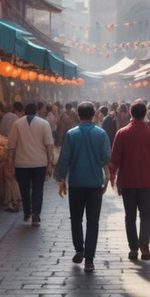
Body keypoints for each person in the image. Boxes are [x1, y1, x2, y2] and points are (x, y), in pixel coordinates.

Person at [57, 101, 111, 273]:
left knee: (76, 219)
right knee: (93, 221)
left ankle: (79, 249)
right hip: (95, 183)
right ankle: (89, 259)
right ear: (94, 114)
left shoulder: (71, 134)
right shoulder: (101, 134)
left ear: (78, 115)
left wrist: (61, 179)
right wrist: (107, 178)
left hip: (76, 183)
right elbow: (106, 159)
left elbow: (64, 158)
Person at [110, 100, 150, 261]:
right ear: (145, 114)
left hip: (127, 181)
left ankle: (133, 248)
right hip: (147, 180)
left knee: (130, 215)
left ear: (131, 114)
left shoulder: (122, 133)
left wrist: (111, 174)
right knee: (146, 213)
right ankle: (144, 243)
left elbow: (115, 159)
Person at [8, 102, 55, 226]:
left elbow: (11, 146)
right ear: (36, 112)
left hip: (21, 164)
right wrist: (50, 163)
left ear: (24, 111)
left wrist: (10, 163)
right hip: (39, 163)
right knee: (38, 188)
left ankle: (27, 212)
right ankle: (36, 214)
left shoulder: (17, 124)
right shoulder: (44, 124)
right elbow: (49, 145)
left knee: (24, 188)